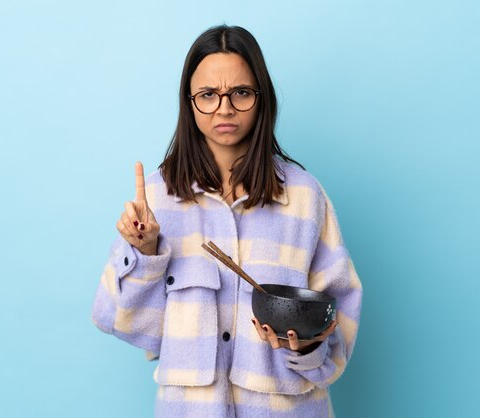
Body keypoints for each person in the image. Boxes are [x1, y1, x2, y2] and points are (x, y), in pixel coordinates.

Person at [91, 24, 362, 417]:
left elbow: (339, 317)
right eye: (207, 95)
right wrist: (145, 253)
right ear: (189, 102)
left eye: (240, 92)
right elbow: (127, 325)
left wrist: (305, 345)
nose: (224, 108)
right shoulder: (156, 201)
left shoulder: (304, 197)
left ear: (261, 97)